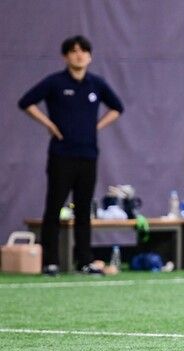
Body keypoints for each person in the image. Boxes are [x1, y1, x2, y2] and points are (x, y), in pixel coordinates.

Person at [18, 35, 124, 275]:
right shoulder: (56, 82)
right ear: (65, 56)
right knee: (54, 207)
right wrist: (49, 124)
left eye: (83, 51)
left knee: (83, 209)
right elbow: (26, 102)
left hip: (88, 154)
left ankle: (84, 260)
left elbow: (117, 107)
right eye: (74, 51)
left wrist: (96, 126)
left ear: (90, 56)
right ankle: (50, 261)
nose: (79, 55)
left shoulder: (95, 84)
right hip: (61, 154)